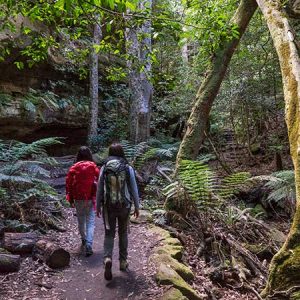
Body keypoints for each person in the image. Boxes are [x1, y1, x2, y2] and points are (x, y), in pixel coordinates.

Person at [96, 143, 140, 281]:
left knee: (109, 233)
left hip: (108, 206)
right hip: (125, 205)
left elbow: (99, 188)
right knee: (122, 233)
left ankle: (108, 258)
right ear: (122, 153)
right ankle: (122, 261)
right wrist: (137, 206)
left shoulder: (104, 167)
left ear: (110, 153)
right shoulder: (127, 167)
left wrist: (97, 206)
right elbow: (133, 188)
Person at [66, 146, 100, 256]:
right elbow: (99, 177)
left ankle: (84, 239)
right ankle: (89, 244)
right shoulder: (93, 166)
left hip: (78, 197)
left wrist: (70, 199)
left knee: (81, 220)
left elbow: (69, 185)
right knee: (90, 221)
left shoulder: (74, 168)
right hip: (90, 197)